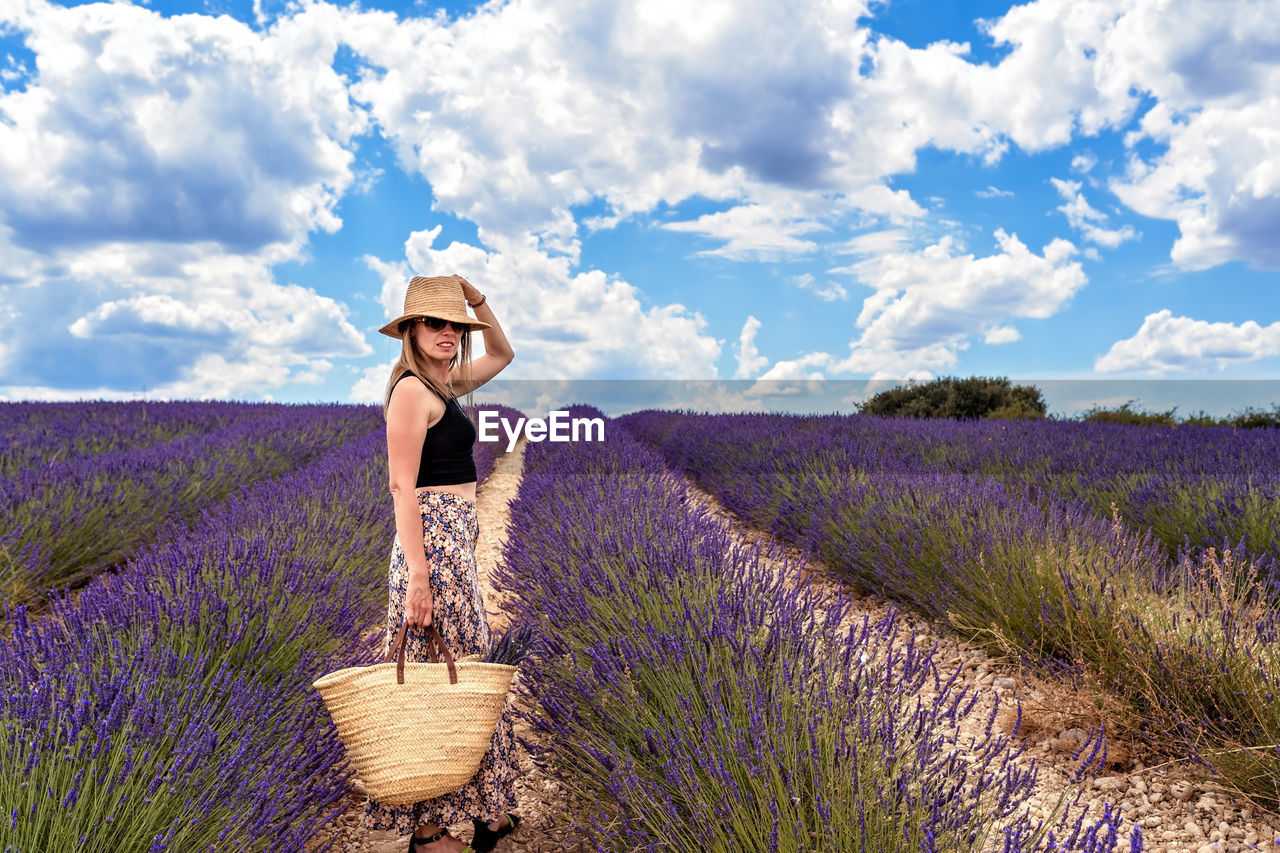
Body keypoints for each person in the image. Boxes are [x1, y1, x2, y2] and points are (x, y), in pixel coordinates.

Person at [364, 274, 520, 853]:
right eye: (435, 322)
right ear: (410, 331)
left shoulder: (444, 385)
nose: (448, 332)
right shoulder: (411, 392)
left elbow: (503, 354)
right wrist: (421, 576)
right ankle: (427, 832)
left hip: (455, 545)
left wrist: (477, 301)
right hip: (431, 549)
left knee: (462, 675)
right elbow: (402, 488)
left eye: (455, 325)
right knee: (435, 681)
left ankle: (484, 811)